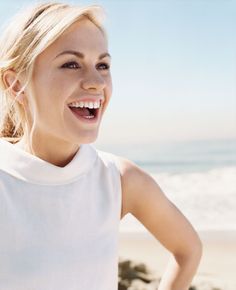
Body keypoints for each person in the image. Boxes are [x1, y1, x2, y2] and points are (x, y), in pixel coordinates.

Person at [0, 2, 202, 290]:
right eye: (71, 64)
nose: (96, 82)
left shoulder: (119, 179)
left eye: (103, 65)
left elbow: (188, 249)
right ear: (16, 85)